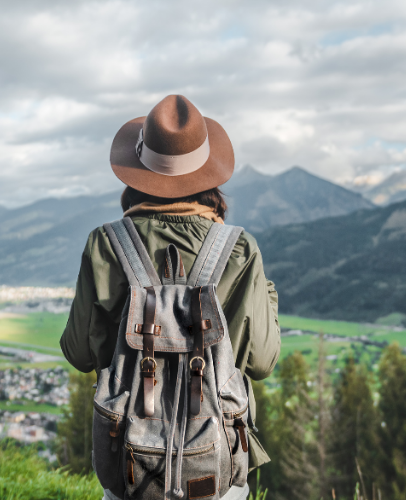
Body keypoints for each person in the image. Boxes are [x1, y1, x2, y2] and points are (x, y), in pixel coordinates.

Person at [60, 95, 281, 499]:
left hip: (129, 461)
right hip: (216, 469)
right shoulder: (239, 249)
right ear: (208, 172)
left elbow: (77, 352)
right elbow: (263, 362)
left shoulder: (106, 244)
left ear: (137, 172)